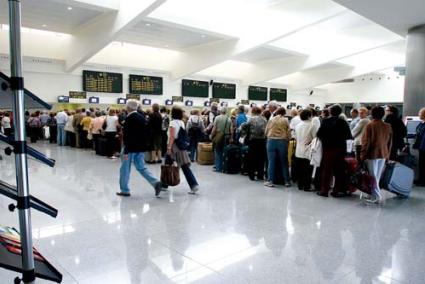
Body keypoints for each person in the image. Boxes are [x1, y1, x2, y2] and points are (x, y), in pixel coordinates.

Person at [117, 100, 162, 197]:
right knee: (141, 167)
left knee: (125, 168)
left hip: (129, 148)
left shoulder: (129, 118)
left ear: (128, 108)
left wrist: (126, 150)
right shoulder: (142, 117)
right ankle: (155, 182)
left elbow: (127, 136)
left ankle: (125, 190)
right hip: (140, 148)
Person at [316, 104, 352, 197]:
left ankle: (324, 191)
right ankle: (336, 191)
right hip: (340, 149)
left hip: (328, 149)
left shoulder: (325, 121)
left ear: (330, 112)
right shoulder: (343, 123)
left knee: (327, 170)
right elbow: (348, 136)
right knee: (339, 171)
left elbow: (319, 134)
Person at [361, 106, 392, 204]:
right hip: (383, 153)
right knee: (376, 177)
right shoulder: (388, 126)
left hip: (372, 154)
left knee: (372, 177)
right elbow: (390, 142)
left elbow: (366, 143)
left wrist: (363, 155)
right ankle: (373, 195)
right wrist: (388, 155)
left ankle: (376, 196)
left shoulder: (370, 125)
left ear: (372, 114)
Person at [167, 106, 200, 194]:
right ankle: (194, 185)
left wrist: (169, 147)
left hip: (174, 147)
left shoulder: (172, 123)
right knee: (185, 166)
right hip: (181, 147)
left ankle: (163, 184)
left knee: (167, 165)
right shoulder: (181, 122)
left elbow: (172, 137)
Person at [265, 107, 291, 187]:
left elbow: (266, 130)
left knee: (271, 161)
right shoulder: (286, 120)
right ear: (284, 113)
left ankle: (270, 181)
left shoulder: (271, 119)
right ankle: (286, 181)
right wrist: (288, 139)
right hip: (282, 141)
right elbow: (288, 132)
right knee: (284, 161)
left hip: (271, 140)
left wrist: (267, 136)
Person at [240, 106, 267, 181]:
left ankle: (251, 175)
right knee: (261, 158)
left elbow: (244, 126)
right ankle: (260, 175)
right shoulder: (264, 119)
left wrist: (244, 133)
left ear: (253, 112)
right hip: (262, 141)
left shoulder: (251, 119)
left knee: (252, 158)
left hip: (253, 141)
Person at [294, 109, 316, 191]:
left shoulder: (297, 125)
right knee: (307, 170)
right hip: (308, 150)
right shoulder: (312, 125)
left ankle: (300, 185)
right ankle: (307, 186)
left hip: (298, 150)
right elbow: (315, 137)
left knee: (300, 169)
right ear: (309, 116)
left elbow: (296, 137)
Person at [211, 107, 232, 172]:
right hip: (227, 137)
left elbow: (214, 128)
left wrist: (211, 135)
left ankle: (218, 168)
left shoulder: (217, 118)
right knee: (224, 152)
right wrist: (231, 137)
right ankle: (224, 167)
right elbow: (231, 129)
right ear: (226, 112)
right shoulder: (229, 119)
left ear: (220, 111)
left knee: (217, 152)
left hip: (219, 136)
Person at [413, 108, 425, 186]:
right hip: (421, 147)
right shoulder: (422, 123)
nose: (419, 114)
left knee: (423, 164)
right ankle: (421, 179)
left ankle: (423, 181)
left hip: (423, 147)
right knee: (421, 164)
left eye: (420, 113)